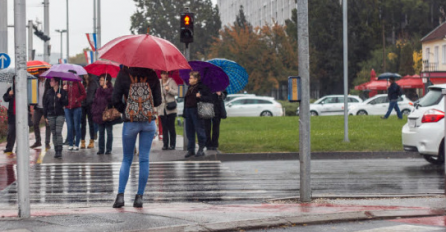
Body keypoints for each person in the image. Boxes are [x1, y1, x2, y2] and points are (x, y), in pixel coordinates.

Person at [112, 67, 161, 208]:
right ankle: (139, 197)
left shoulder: (123, 73)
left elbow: (115, 99)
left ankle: (120, 196)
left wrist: (127, 109)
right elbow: (157, 101)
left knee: (127, 159)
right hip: (148, 122)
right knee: (144, 158)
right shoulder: (152, 73)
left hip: (131, 122)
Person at [182, 71, 212, 158]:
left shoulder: (202, 87)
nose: (189, 80)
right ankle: (191, 149)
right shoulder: (190, 87)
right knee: (189, 131)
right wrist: (185, 111)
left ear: (196, 79)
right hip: (188, 110)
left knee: (199, 130)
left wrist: (200, 96)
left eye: (191, 78)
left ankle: (201, 148)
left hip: (197, 111)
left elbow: (209, 99)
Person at [43, 78, 68, 158]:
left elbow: (66, 103)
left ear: (57, 82)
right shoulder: (48, 92)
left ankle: (59, 150)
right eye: (50, 81)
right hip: (50, 115)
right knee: (54, 133)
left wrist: (61, 98)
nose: (50, 82)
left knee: (58, 132)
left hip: (60, 114)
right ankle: (56, 150)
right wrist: (45, 116)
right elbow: (45, 105)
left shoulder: (63, 92)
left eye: (52, 81)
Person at [92, 74, 114, 155]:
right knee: (101, 132)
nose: (100, 81)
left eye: (101, 80)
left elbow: (112, 100)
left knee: (109, 132)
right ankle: (101, 149)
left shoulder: (111, 89)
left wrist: (106, 90)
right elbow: (95, 101)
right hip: (99, 114)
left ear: (106, 81)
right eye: (100, 80)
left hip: (108, 115)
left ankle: (108, 149)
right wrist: (94, 110)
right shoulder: (98, 90)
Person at [30, 70, 52, 150]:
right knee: (35, 123)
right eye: (39, 73)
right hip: (38, 107)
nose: (40, 74)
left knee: (48, 125)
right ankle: (38, 141)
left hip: (47, 107)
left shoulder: (49, 81)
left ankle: (47, 142)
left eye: (42, 73)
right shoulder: (35, 81)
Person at [157, 71, 178, 150]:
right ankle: (165, 144)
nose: (165, 75)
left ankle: (172, 144)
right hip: (162, 108)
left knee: (171, 127)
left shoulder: (171, 81)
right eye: (163, 74)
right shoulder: (158, 82)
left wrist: (169, 90)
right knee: (164, 127)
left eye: (167, 74)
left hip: (171, 108)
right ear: (161, 75)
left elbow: (178, 92)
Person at [65, 76, 87, 151]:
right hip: (67, 108)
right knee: (69, 126)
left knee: (77, 126)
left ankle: (77, 144)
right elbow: (63, 96)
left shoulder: (78, 83)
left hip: (77, 108)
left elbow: (84, 94)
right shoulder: (66, 84)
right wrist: (63, 90)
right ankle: (70, 143)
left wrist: (78, 99)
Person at [81, 74, 98, 149]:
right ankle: (82, 141)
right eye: (84, 74)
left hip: (91, 105)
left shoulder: (93, 83)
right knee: (83, 124)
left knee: (91, 123)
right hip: (82, 105)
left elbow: (97, 94)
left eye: (86, 74)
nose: (85, 75)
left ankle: (91, 141)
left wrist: (93, 100)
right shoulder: (82, 83)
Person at [3, 81, 16, 153]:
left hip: (21, 114)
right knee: (10, 132)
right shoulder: (11, 89)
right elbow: (5, 98)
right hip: (12, 114)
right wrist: (9, 95)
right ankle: (9, 147)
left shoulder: (24, 88)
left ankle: (19, 147)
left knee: (21, 132)